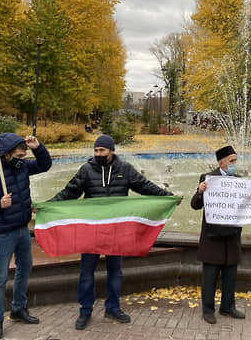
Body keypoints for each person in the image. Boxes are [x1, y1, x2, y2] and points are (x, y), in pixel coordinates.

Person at [51, 134, 173, 329]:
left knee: (115, 271)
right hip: (92, 229)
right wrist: (48, 205)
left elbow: (144, 186)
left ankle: (113, 307)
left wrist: (168, 197)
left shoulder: (125, 169)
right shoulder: (86, 170)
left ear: (111, 151)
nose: (98, 153)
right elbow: (70, 192)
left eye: (102, 150)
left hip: (116, 229)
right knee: (86, 272)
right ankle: (85, 311)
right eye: (96, 150)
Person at [0, 133, 52, 340]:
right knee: (0, 278)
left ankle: (18, 309)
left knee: (25, 269)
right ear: (6, 155)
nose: (23, 159)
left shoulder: (20, 167)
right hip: (2, 233)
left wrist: (37, 147)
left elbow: (44, 165)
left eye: (24, 155)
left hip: (22, 229)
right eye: (20, 155)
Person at [191, 145, 251, 324]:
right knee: (210, 276)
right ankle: (208, 310)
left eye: (236, 160)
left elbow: (245, 209)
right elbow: (195, 205)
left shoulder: (240, 181)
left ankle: (228, 306)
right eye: (232, 161)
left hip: (232, 236)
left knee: (231, 275)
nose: (235, 164)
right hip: (212, 237)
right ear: (222, 162)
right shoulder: (208, 179)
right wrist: (199, 192)